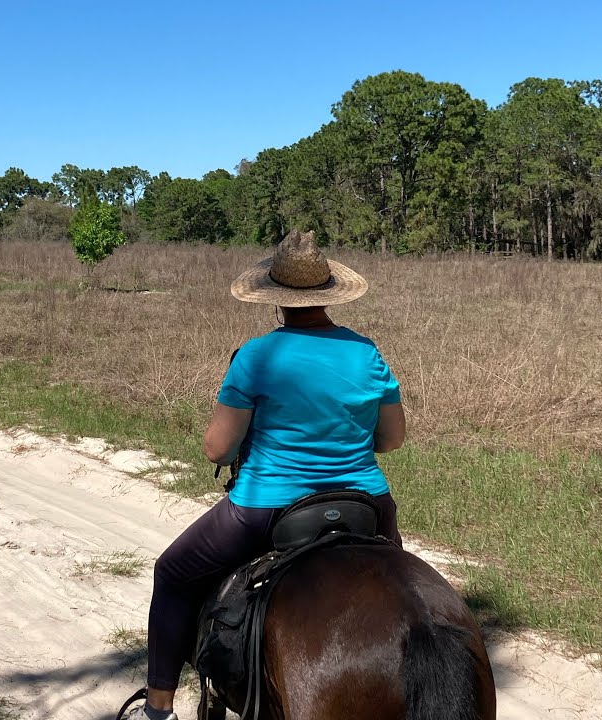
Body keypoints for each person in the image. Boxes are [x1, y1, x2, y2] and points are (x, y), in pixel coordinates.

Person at [120, 230, 407, 720]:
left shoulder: (255, 356)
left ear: (276, 301)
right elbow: (392, 439)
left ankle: (159, 703)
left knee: (172, 572)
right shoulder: (366, 352)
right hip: (367, 505)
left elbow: (218, 447)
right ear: (328, 294)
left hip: (268, 505)